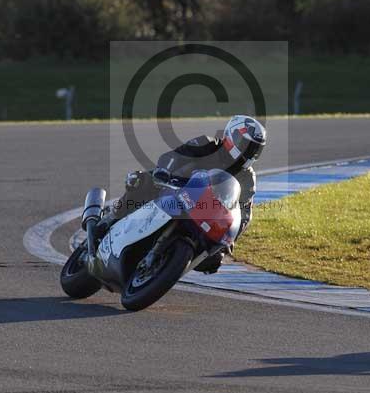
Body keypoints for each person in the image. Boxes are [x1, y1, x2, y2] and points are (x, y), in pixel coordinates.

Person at [96, 115, 266, 274]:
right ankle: (111, 218)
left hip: (204, 212)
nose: (248, 152)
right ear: (231, 135)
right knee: (141, 181)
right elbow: (175, 156)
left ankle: (164, 264)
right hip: (171, 185)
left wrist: (230, 239)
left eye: (254, 149)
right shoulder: (207, 144)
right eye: (245, 144)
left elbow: (244, 213)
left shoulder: (247, 178)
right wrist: (164, 171)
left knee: (214, 257)